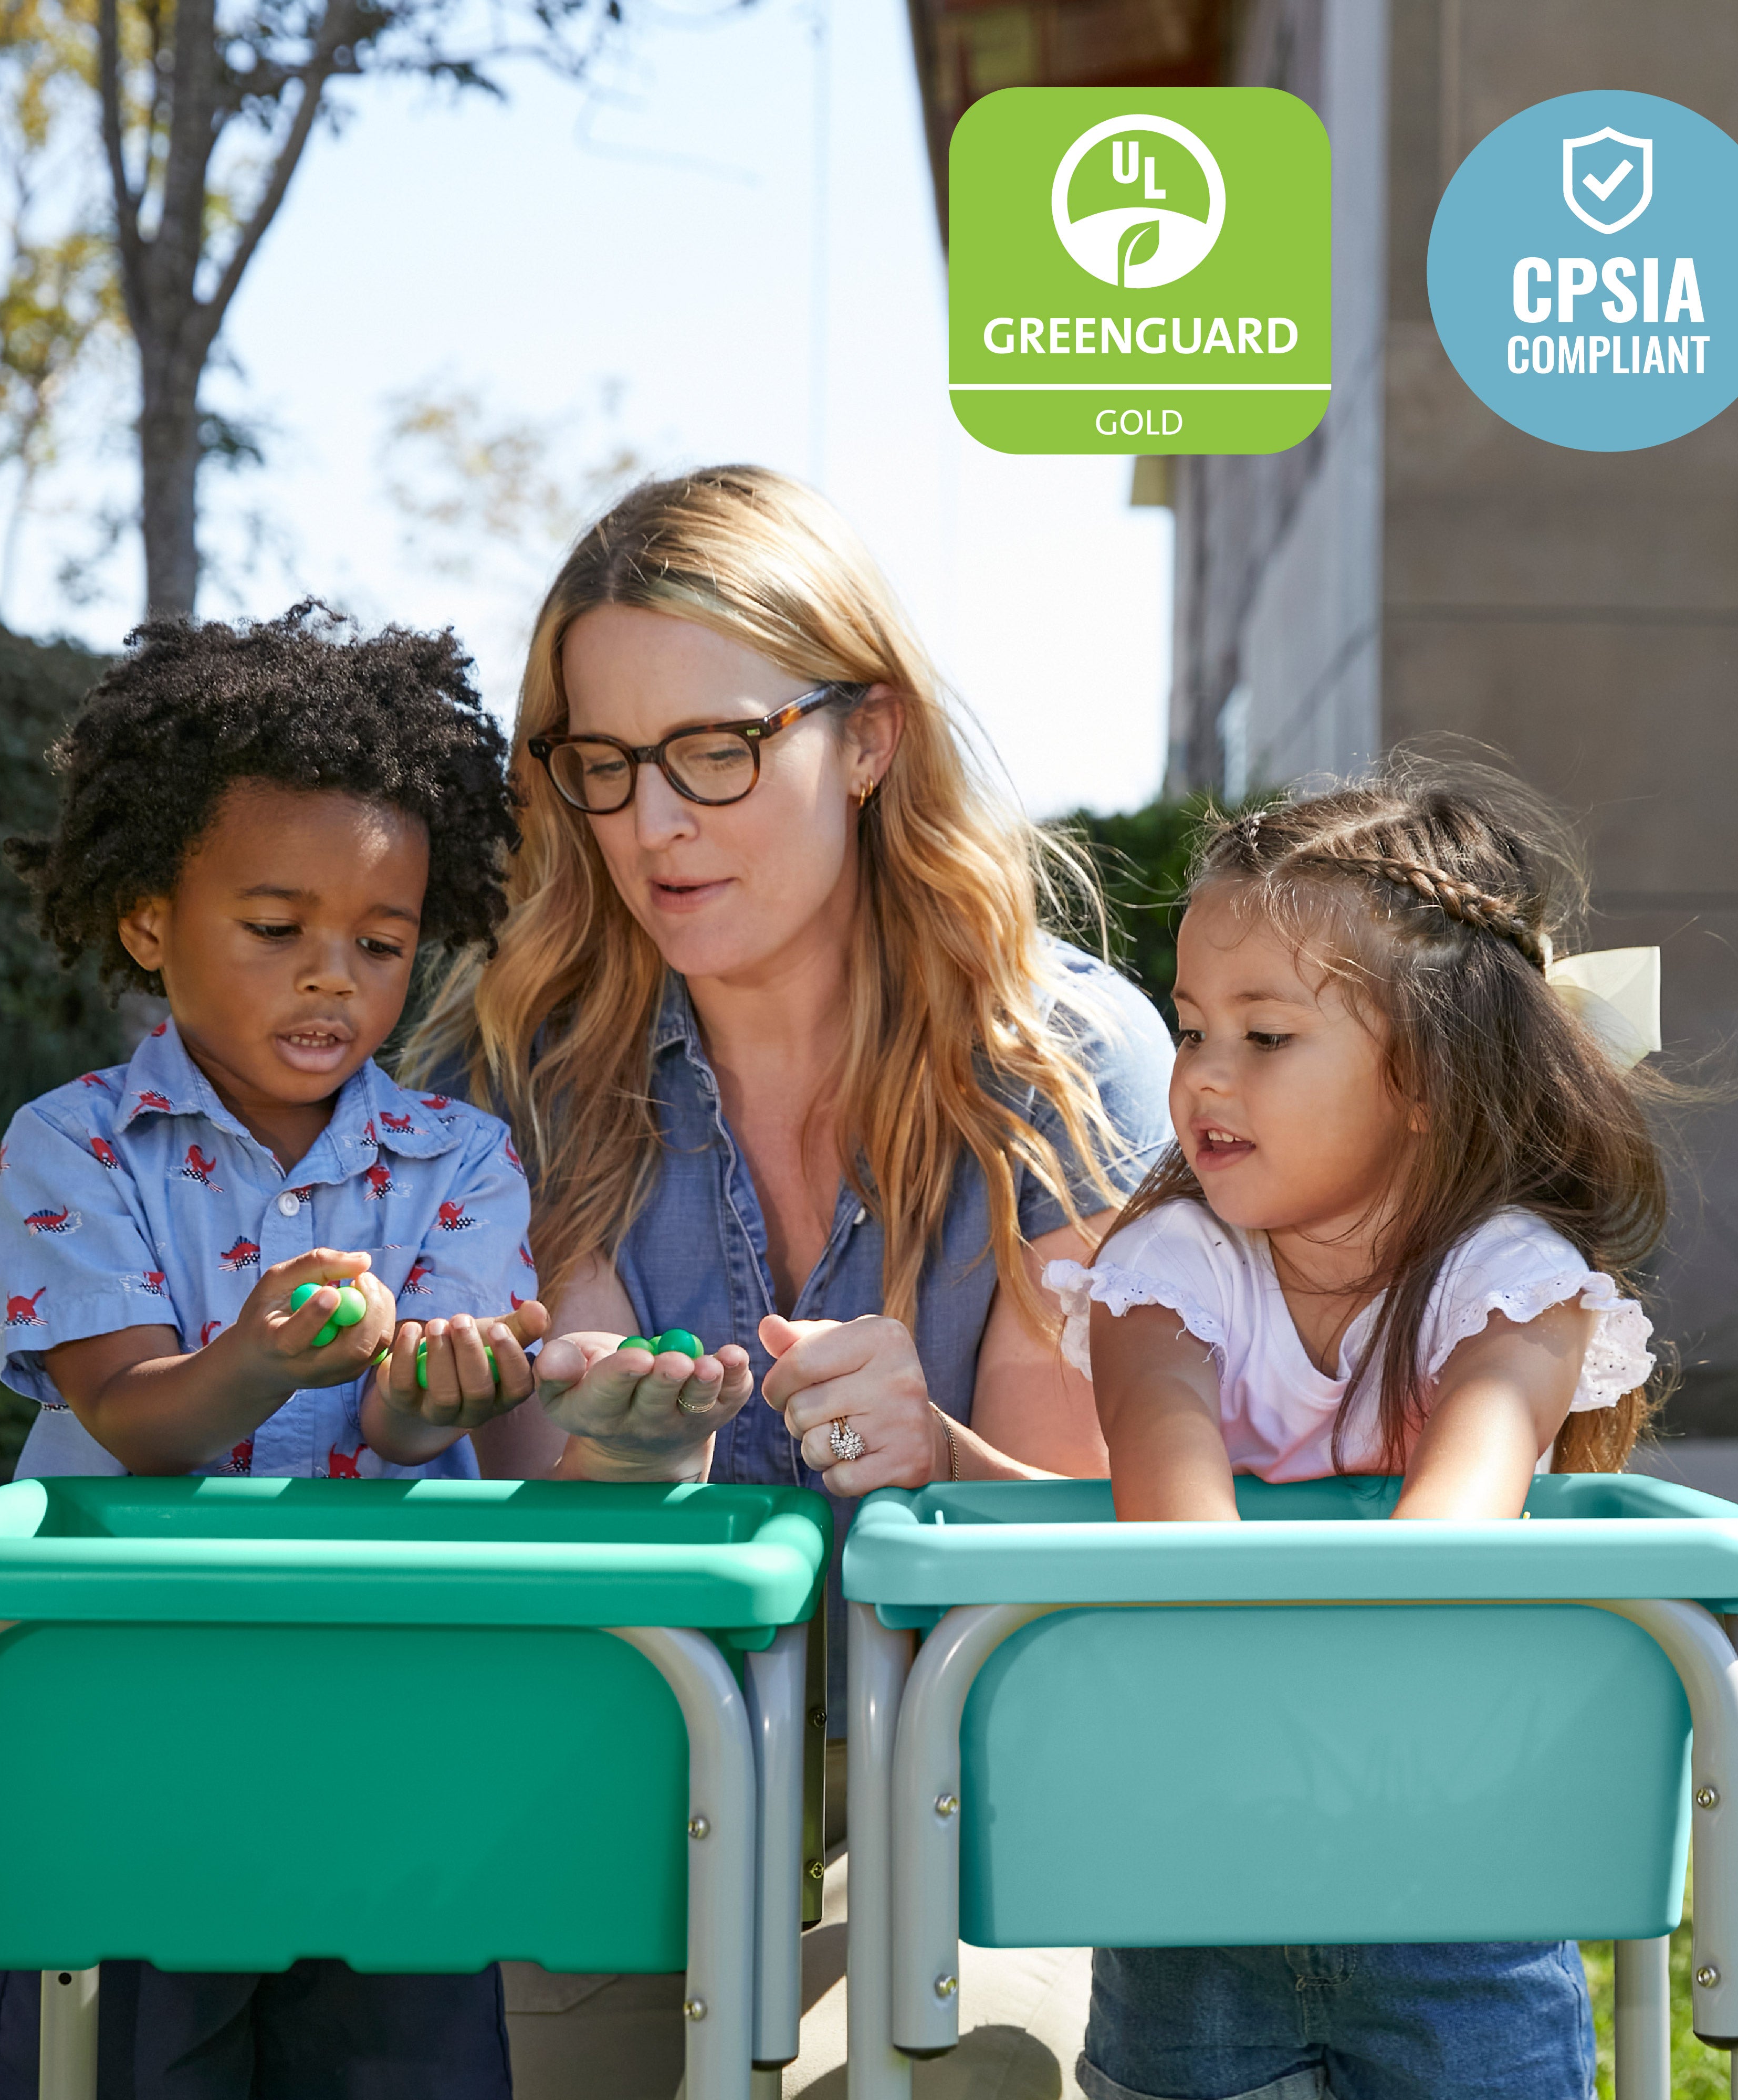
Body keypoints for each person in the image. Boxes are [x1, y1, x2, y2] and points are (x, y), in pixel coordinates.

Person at [401, 464, 1175, 2093]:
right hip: (626, 1754)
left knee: (960, 2077)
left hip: (971, 1757)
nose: (653, 824)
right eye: (604, 765)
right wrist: (623, 1467)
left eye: (717, 749)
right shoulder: (519, 1070)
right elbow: (560, 1585)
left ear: (869, 737)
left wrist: (938, 1456)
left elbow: (1075, 1560)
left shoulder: (1061, 1055)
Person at [0, 604, 538, 2100]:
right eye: (276, 930)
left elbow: (406, 1430)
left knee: (398, 2067)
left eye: (381, 942)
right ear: (152, 922)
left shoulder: (461, 1160)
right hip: (126, 1727)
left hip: (387, 1731)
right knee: (116, 2061)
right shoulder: (75, 1147)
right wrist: (262, 1356)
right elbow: (131, 1414)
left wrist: (440, 1388)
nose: (333, 976)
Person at [1050, 756, 1666, 2100]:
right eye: (1190, 1029)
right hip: (1192, 1892)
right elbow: (1174, 1515)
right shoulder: (1164, 1269)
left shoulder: (1509, 1281)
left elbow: (1448, 1532)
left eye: (1264, 1036)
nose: (1202, 1075)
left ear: (1428, 1075)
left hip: (1461, 1887)